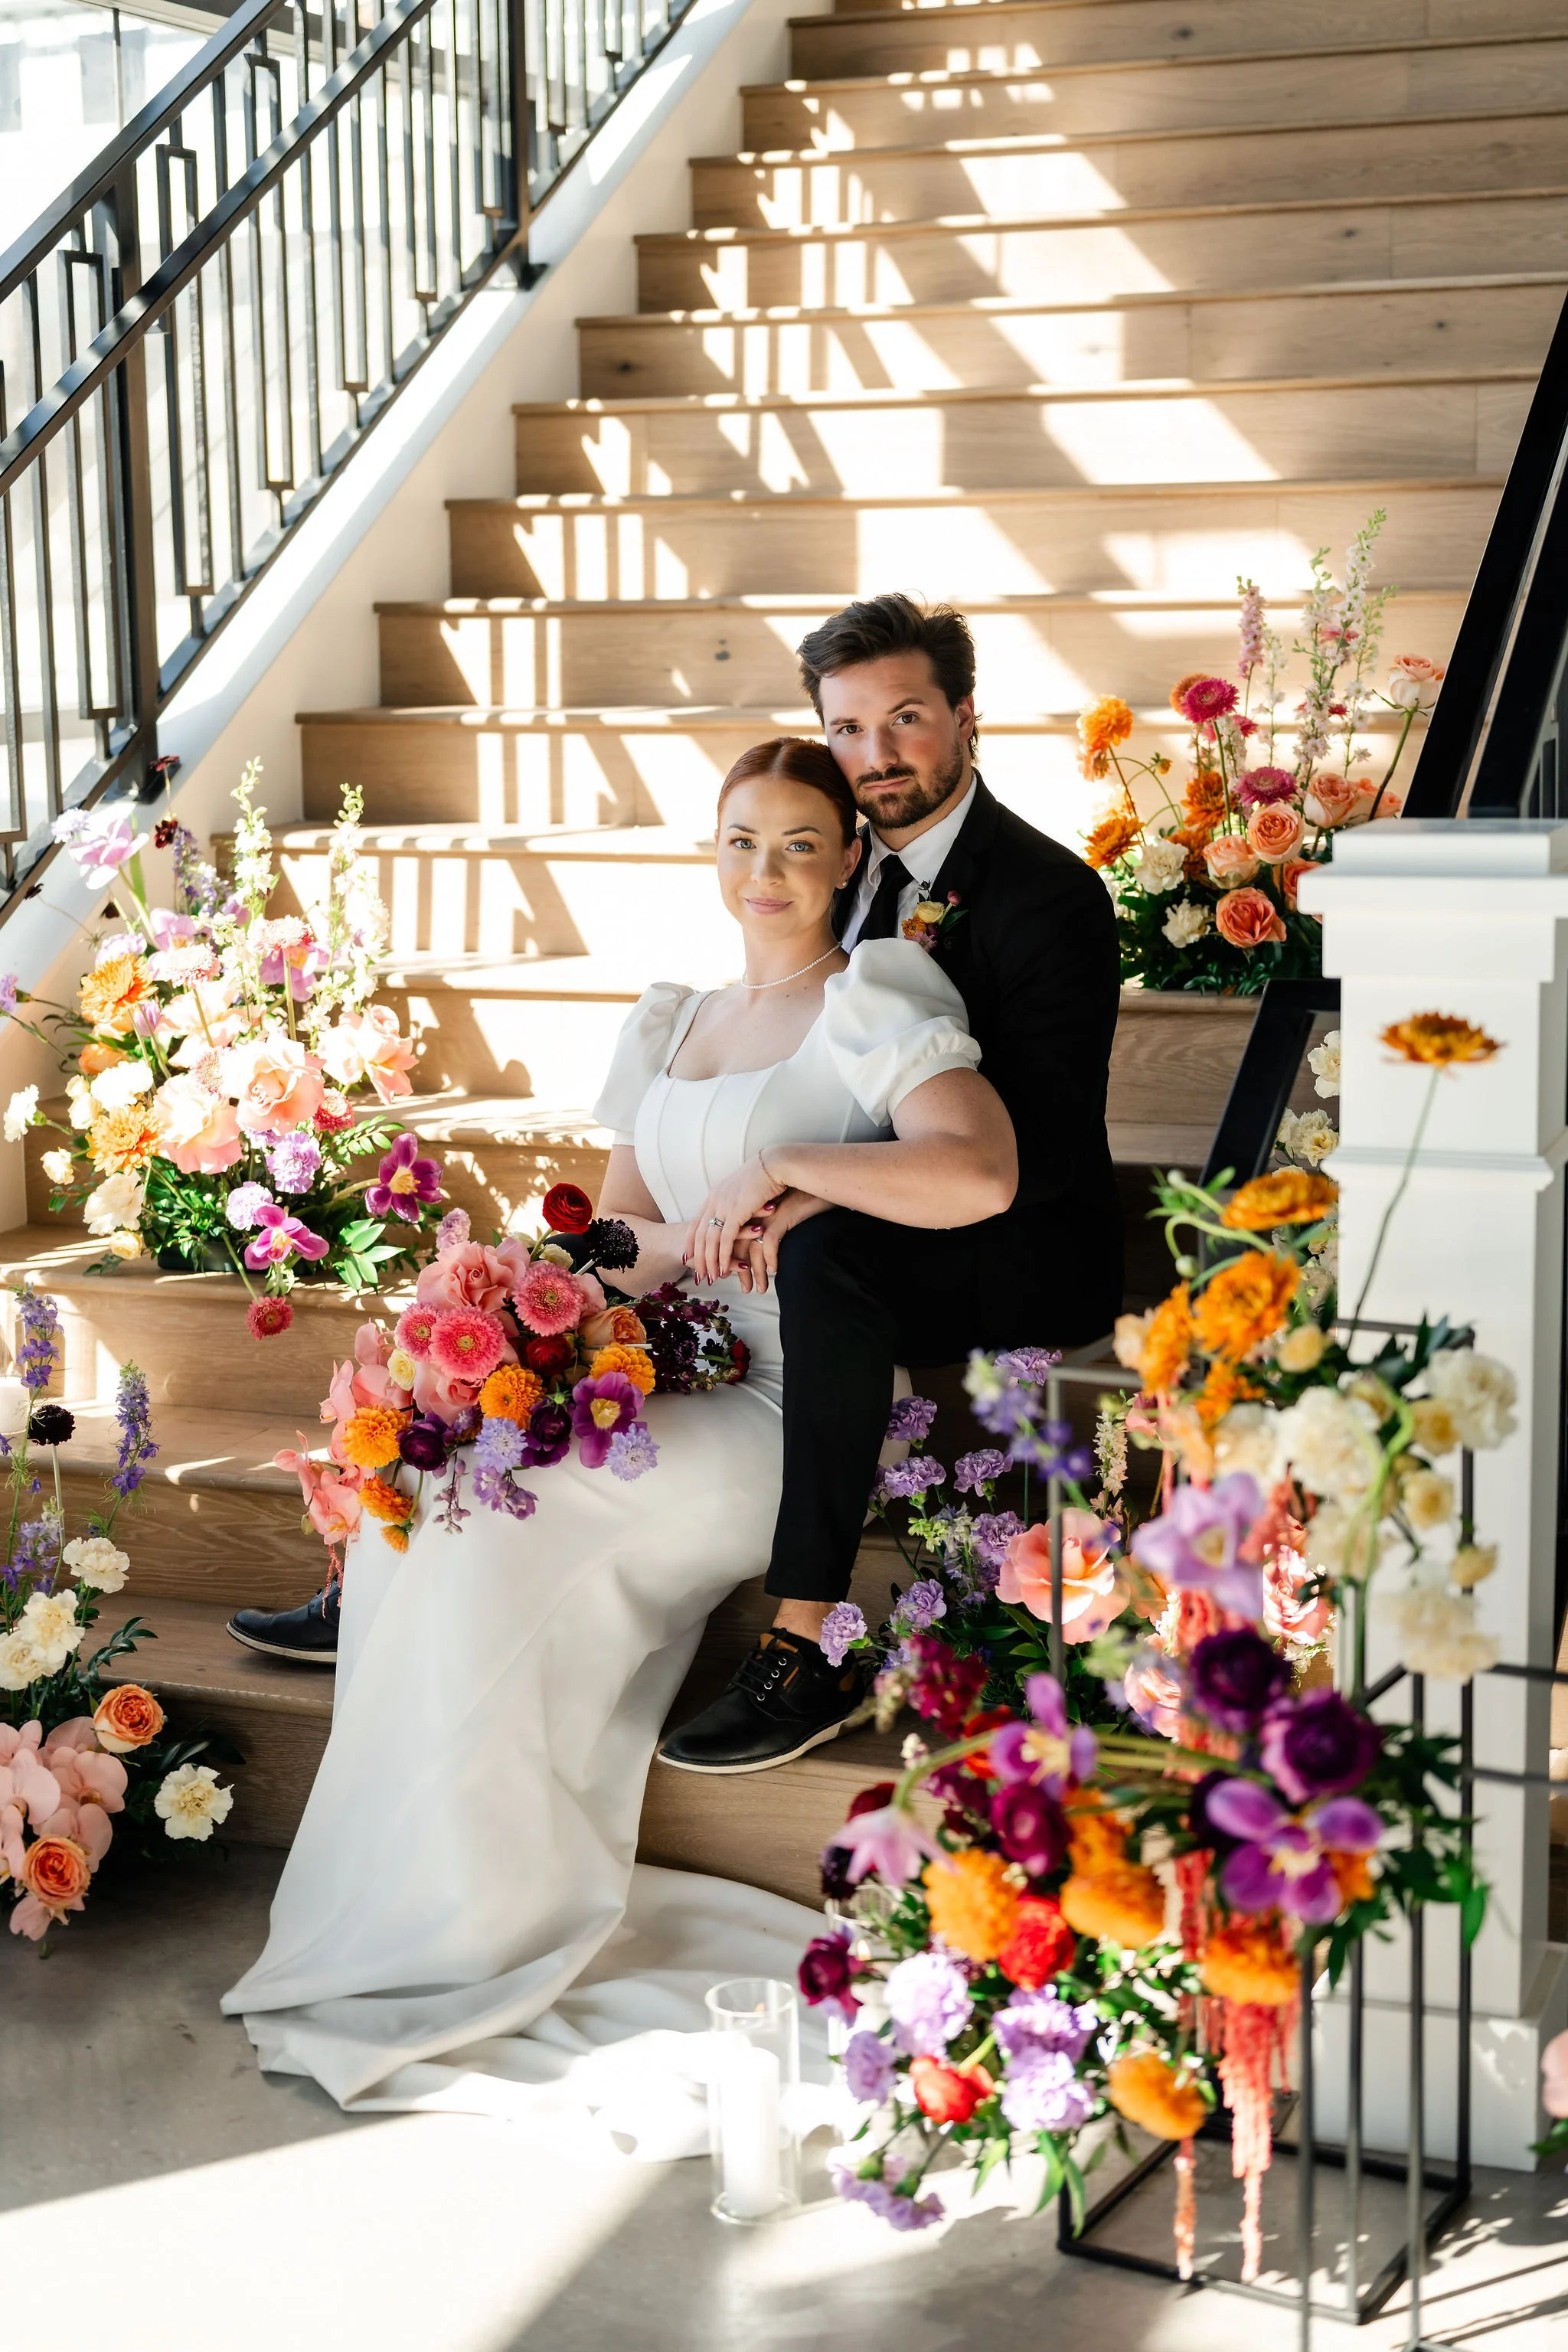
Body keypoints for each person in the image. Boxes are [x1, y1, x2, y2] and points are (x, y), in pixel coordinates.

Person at [221, 736, 1017, 2115]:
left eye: (799, 846)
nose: (765, 874)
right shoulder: (673, 1019)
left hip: (793, 1394)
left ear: (851, 862)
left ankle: (493, 1920)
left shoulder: (878, 997)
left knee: (509, 1509)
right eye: (740, 842)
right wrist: (507, 1310)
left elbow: (979, 1174)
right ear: (711, 853)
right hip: (678, 1366)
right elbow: (630, 1237)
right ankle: (439, 1895)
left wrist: (788, 1166)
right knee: (457, 1484)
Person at [658, 593, 1121, 1775]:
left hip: (1020, 1235)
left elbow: (1045, 1150)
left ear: (965, 717)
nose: (876, 756)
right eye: (848, 728)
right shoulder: (840, 863)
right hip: (875, 1203)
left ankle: (806, 1641)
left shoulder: (1049, 898)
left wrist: (819, 1184)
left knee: (820, 1252)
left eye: (906, 719)